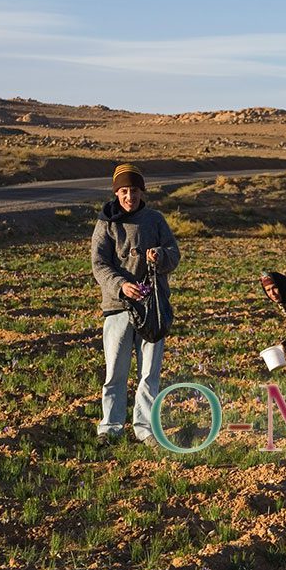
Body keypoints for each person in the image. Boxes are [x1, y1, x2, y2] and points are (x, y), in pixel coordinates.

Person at [91, 163, 181, 446]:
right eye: (124, 191)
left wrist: (160, 256)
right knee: (115, 372)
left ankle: (145, 428)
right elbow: (99, 264)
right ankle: (111, 426)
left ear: (142, 192)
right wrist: (121, 285)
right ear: (117, 193)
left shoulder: (155, 220)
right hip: (117, 307)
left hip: (152, 307)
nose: (130, 196)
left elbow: (174, 254)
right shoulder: (106, 223)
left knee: (149, 372)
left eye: (135, 191)